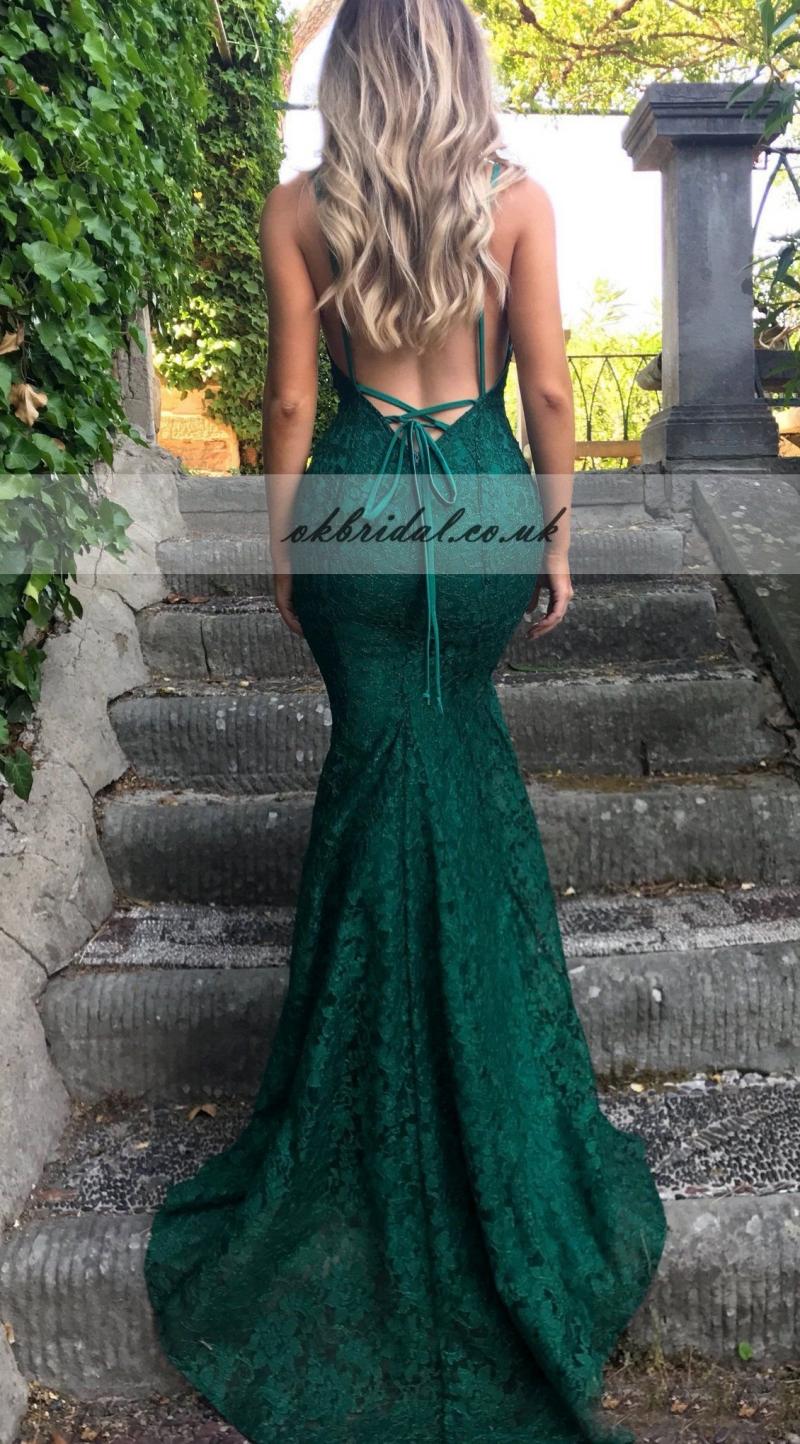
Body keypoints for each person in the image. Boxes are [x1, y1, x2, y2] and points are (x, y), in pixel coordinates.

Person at [143, 2, 668, 1441]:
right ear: (460, 68)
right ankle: (485, 1099)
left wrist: (283, 552)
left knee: (372, 781)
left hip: (361, 510)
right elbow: (548, 385)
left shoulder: (299, 210)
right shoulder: (519, 203)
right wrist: (557, 538)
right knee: (466, 766)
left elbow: (289, 402)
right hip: (484, 503)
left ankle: (364, 1117)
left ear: (352, 73)